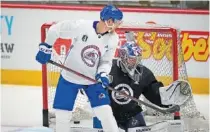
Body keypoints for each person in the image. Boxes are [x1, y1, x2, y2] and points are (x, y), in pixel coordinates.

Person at [36, 4, 123, 132]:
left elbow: (106, 61)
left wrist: (103, 73)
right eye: (116, 22)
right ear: (108, 21)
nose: (118, 25)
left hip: (92, 80)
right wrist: (46, 47)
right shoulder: (82, 26)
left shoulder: (113, 38)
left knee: (105, 112)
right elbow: (55, 29)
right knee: (62, 116)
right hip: (69, 78)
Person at [93, 39, 192, 132]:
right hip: (105, 112)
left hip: (130, 113)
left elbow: (153, 92)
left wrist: (166, 98)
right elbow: (90, 86)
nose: (135, 62)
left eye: (137, 59)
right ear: (123, 56)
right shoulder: (107, 68)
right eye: (132, 59)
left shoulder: (143, 73)